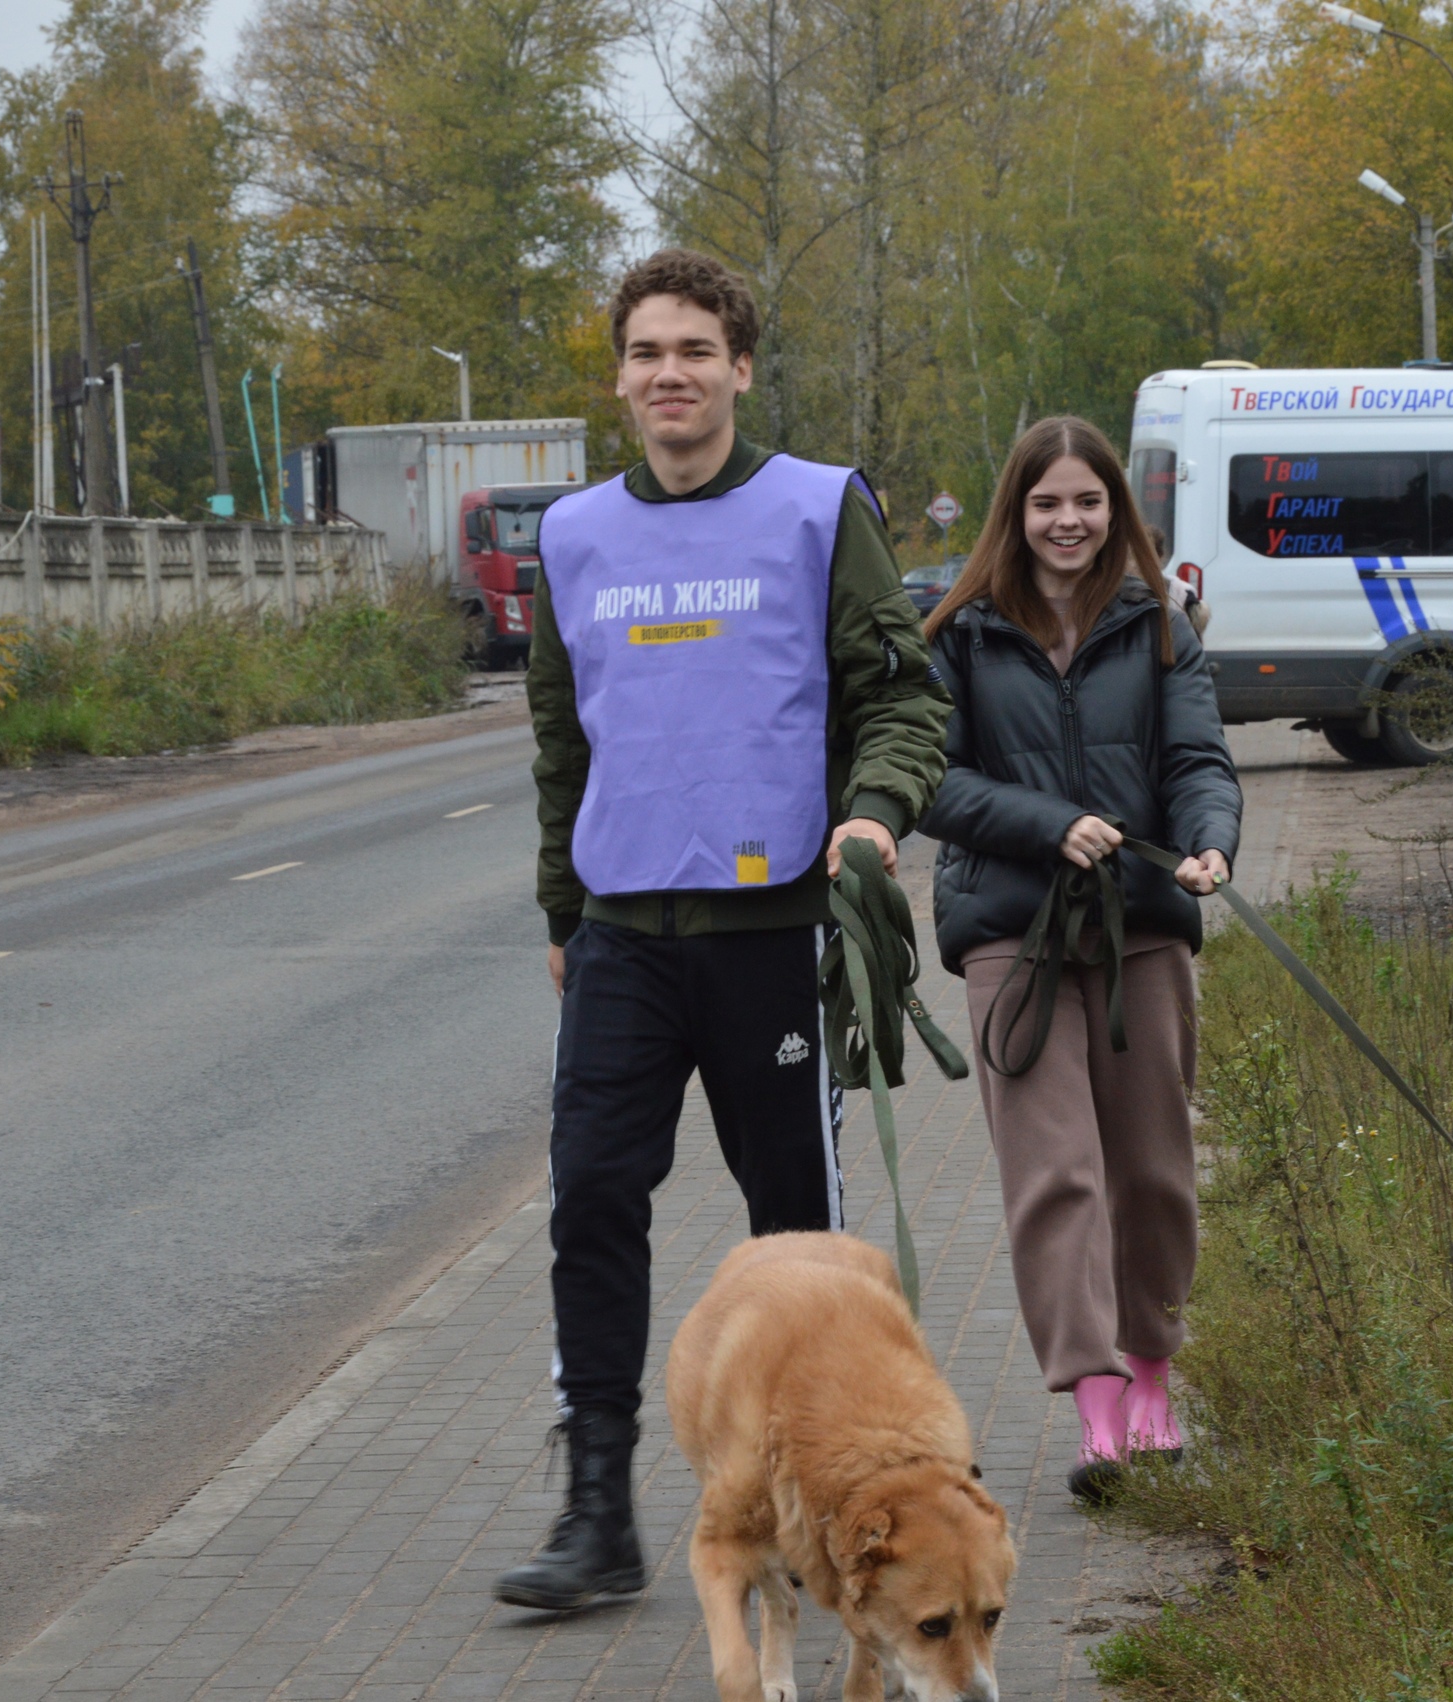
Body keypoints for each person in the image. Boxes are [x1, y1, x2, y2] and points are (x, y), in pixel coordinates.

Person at [499, 249, 952, 1610]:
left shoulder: (820, 511)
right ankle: (599, 1512)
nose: (671, 375)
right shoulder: (574, 535)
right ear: (621, 377)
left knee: (797, 1240)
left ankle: (831, 1502)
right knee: (589, 1203)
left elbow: (903, 697)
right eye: (646, 352)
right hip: (627, 938)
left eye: (696, 349)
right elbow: (557, 740)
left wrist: (873, 818)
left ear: (741, 368)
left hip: (776, 932)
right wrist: (563, 911)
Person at [919, 416, 1241, 1502]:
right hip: (1011, 936)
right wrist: (1044, 820)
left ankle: (1153, 1378)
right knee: (1056, 1175)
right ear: (1015, 512)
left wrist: (1209, 840)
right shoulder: (957, 636)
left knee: (1151, 1170)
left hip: (1143, 925)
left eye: (1087, 502)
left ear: (1117, 512)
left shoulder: (1160, 627)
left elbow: (1199, 756)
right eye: (1046, 502)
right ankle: (1097, 1406)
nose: (1068, 521)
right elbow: (929, 781)